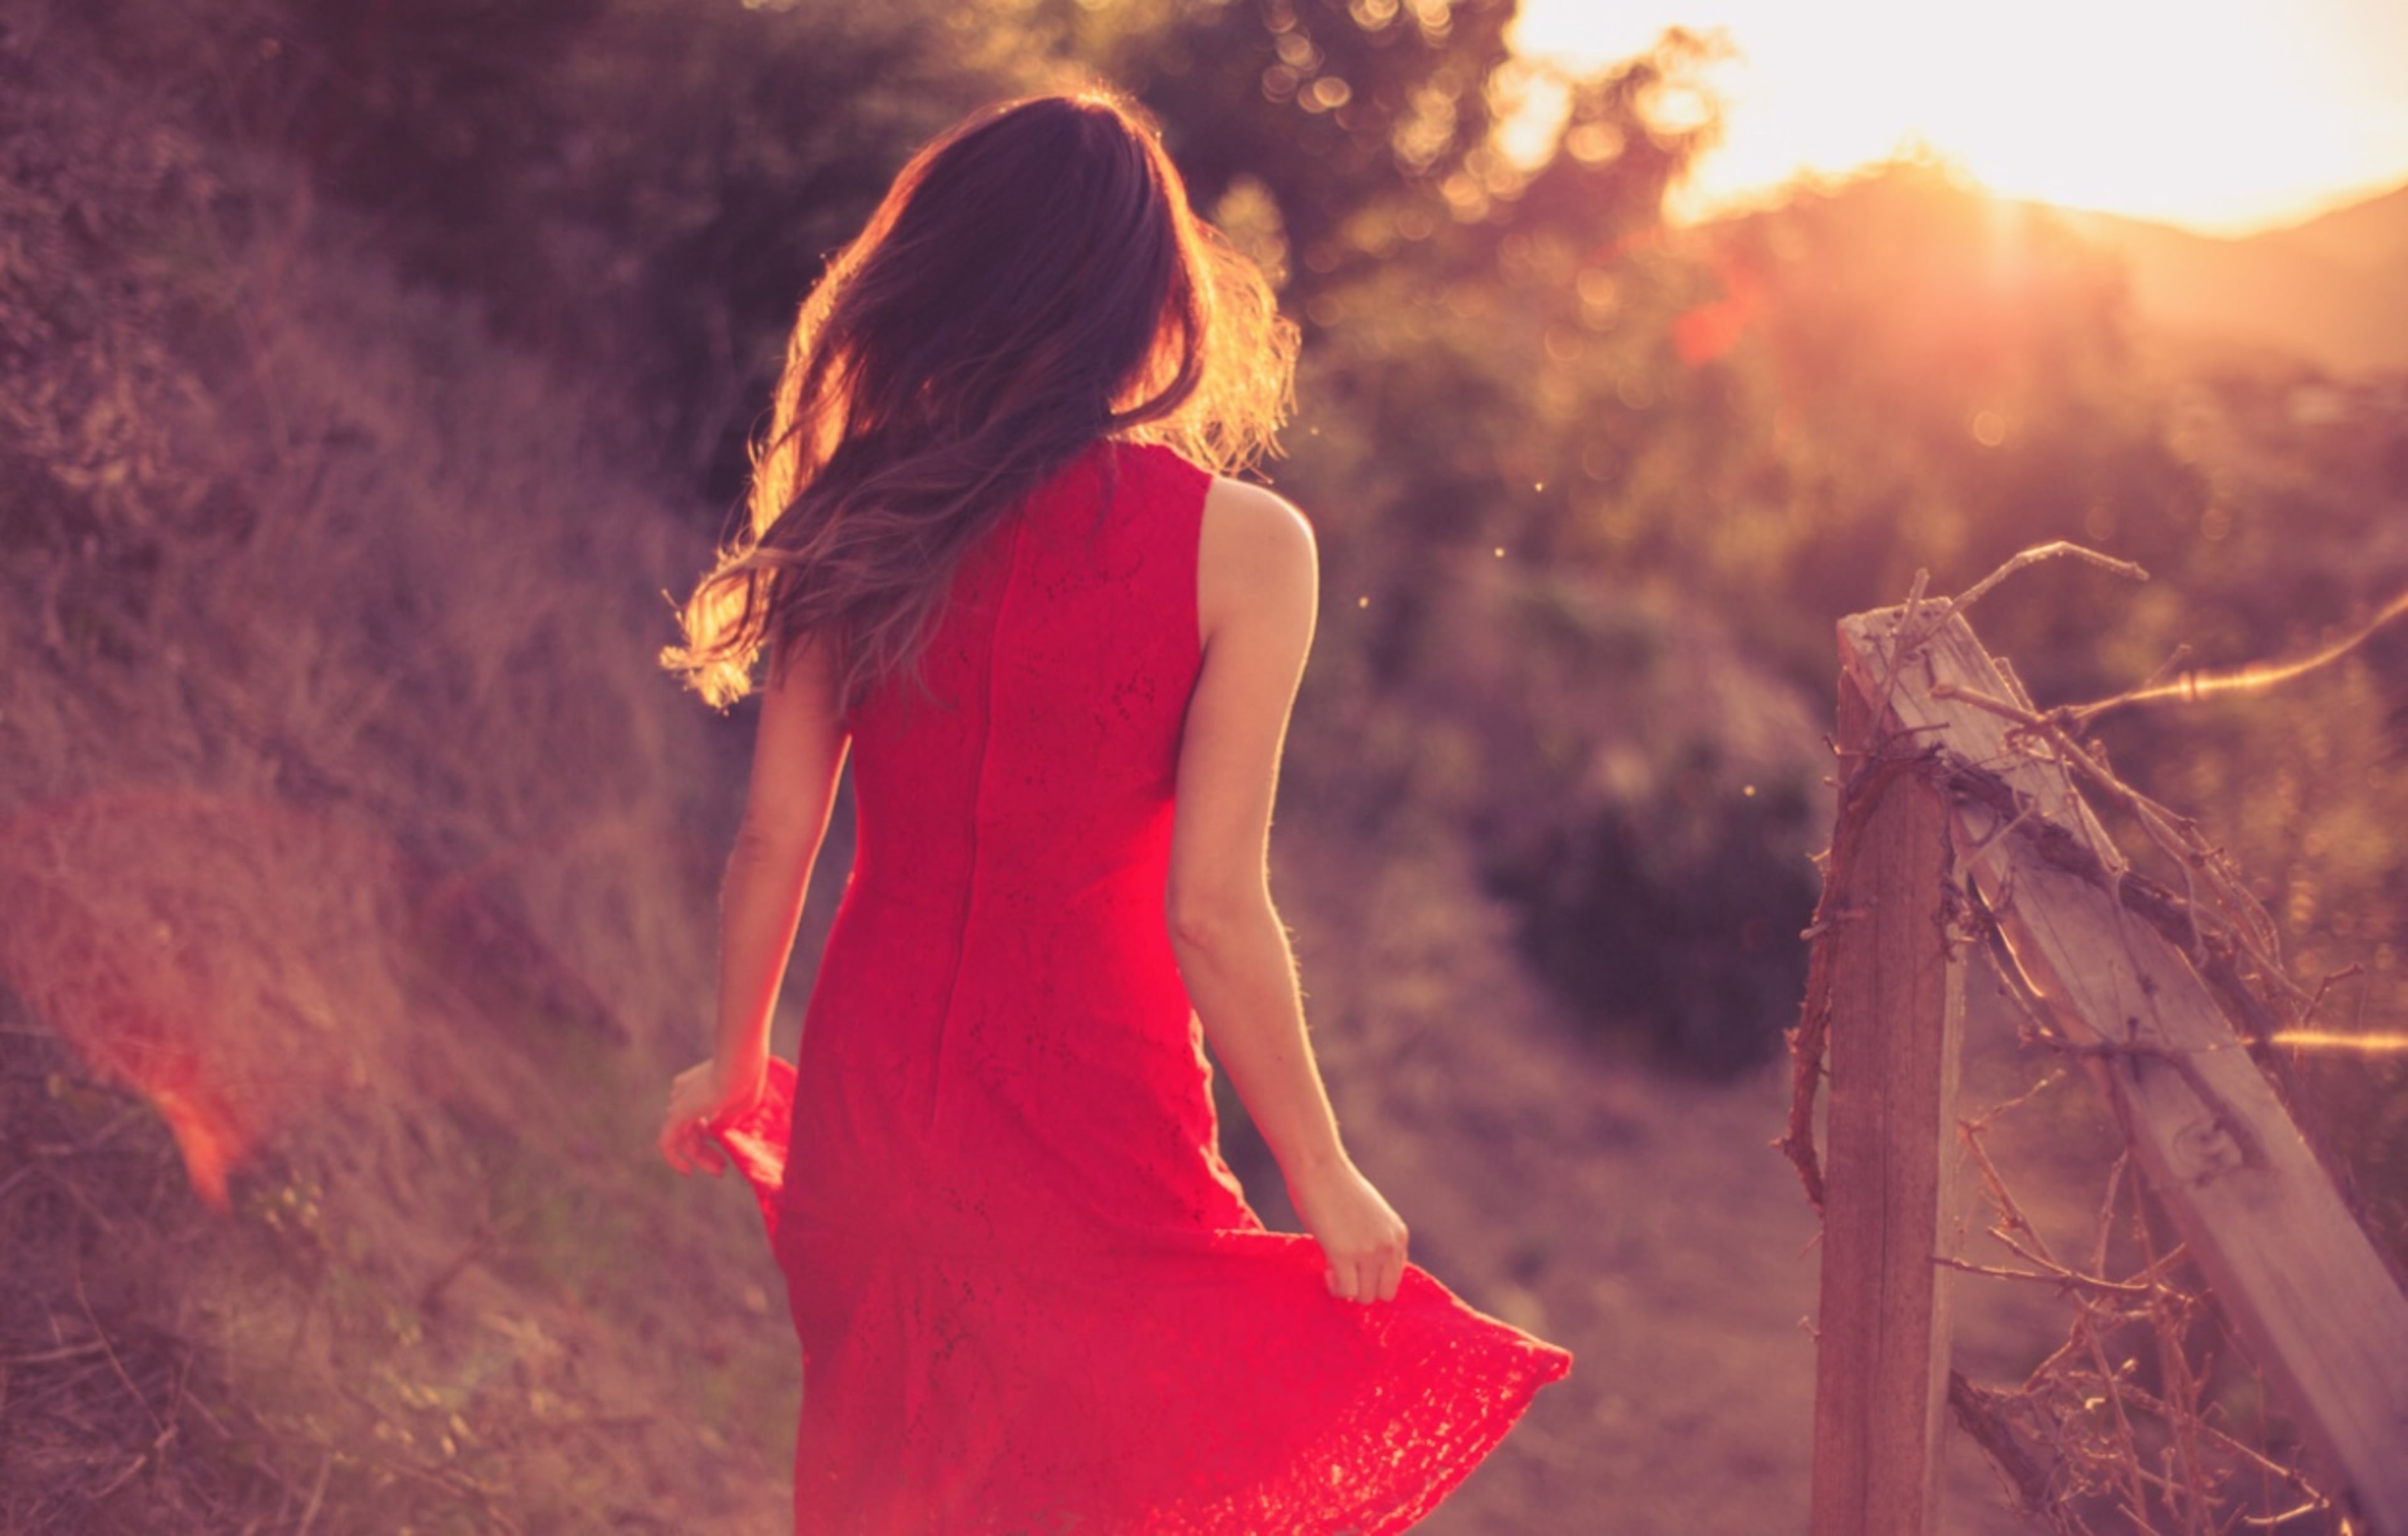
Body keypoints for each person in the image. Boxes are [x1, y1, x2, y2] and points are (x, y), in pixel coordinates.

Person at [655, 90, 1569, 1533]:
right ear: (1153, 299)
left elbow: (775, 835)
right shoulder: (1245, 547)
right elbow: (1211, 907)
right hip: (1096, 1103)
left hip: (867, 1097)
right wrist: (1324, 1174)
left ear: (942, 276)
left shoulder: (863, 509)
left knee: (889, 1472)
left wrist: (730, 1055)